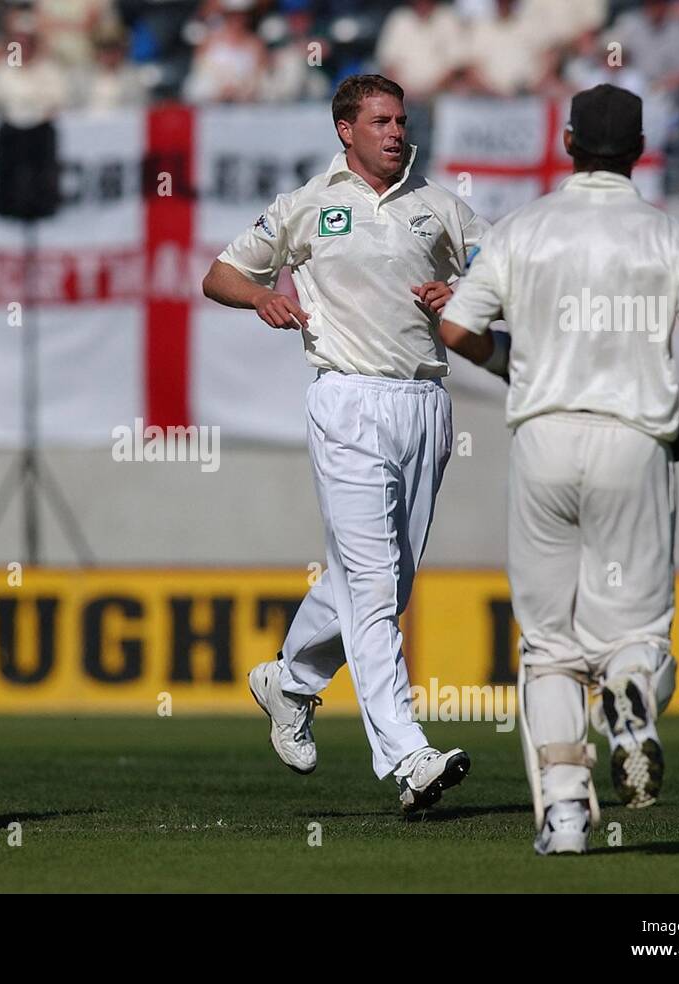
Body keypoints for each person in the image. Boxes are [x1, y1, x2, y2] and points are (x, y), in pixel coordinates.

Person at [438, 84, 679, 855]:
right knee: (635, 631)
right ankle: (631, 700)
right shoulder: (670, 237)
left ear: (569, 142)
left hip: (542, 438)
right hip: (634, 439)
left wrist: (517, 368)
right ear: (639, 151)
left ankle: (567, 815)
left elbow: (457, 326)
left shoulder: (522, 229)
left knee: (548, 647)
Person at [202, 75, 487, 814]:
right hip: (348, 400)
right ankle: (406, 754)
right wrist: (262, 294)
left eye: (402, 119)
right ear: (345, 130)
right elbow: (220, 274)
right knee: (370, 588)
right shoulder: (307, 206)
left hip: (426, 403)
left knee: (383, 584)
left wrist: (466, 298)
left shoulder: (439, 206)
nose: (397, 131)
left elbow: (501, 278)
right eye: (381, 121)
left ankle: (289, 681)